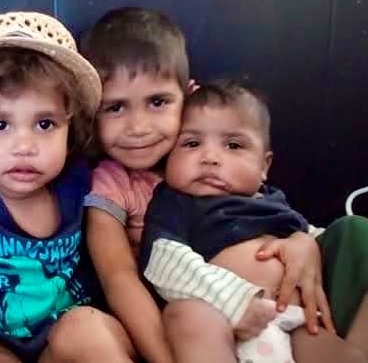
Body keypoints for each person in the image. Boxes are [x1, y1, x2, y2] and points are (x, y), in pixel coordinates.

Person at [80, 7, 330, 361]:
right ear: (92, 111)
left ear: (188, 97)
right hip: (177, 328)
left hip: (278, 309)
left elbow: (270, 214)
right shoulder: (111, 184)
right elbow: (119, 278)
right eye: (115, 107)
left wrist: (304, 241)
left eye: (157, 102)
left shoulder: (215, 162)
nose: (138, 126)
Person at [0, 11, 135, 363]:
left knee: (85, 328)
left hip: (67, 335)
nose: (24, 145)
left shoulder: (81, 180)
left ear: (71, 133)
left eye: (45, 123)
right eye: (1, 125)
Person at [139, 80, 367, 362]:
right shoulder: (174, 202)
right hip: (227, 325)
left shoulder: (274, 203)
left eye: (233, 145)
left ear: (264, 166)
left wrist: (305, 241)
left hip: (298, 323)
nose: (209, 157)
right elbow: (164, 261)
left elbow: (323, 241)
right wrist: (237, 302)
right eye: (192, 143)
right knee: (185, 314)